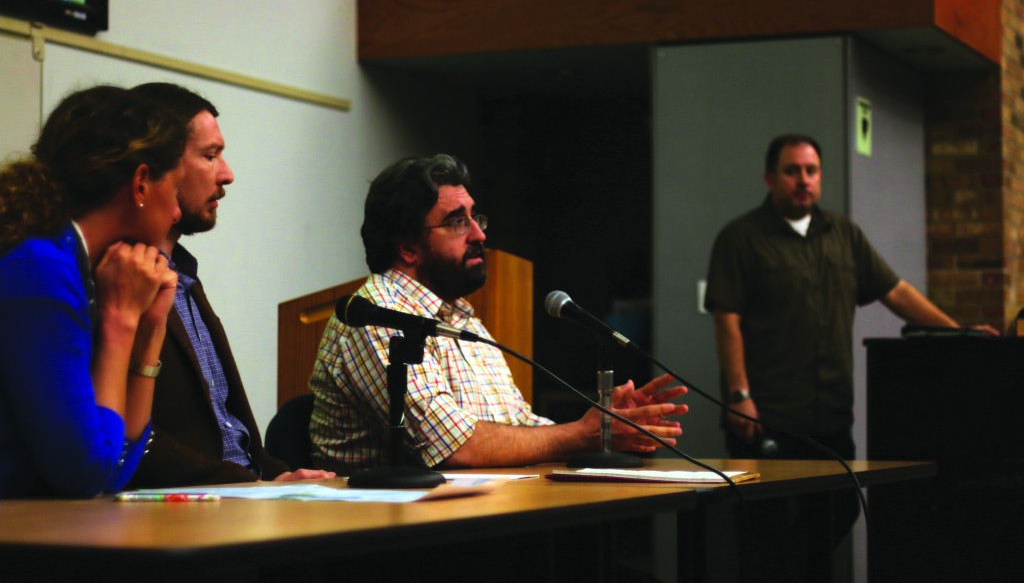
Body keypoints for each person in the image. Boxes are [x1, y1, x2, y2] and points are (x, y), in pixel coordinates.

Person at [309, 153, 686, 475]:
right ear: (408, 247)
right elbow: (454, 447)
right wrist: (582, 434)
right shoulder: (377, 316)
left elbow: (517, 427)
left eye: (476, 218)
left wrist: (608, 432)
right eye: (457, 222)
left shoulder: (459, 314)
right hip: (386, 538)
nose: (479, 234)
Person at [704, 133, 996, 462]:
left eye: (811, 171)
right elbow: (727, 319)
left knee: (839, 511)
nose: (803, 180)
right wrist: (739, 395)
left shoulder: (843, 234)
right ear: (770, 178)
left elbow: (896, 292)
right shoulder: (740, 238)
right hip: (768, 418)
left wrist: (959, 334)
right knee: (769, 513)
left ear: (820, 177)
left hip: (831, 417)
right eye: (792, 171)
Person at [125, 82, 333, 488]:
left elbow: (228, 429)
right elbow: (134, 440)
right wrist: (250, 486)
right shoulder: (121, 280)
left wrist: (280, 475)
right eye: (210, 155)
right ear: (157, 169)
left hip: (241, 497)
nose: (228, 174)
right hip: (185, 513)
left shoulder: (184, 277)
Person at [0, 85, 185, 498]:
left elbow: (113, 469)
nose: (176, 212)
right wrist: (120, 323)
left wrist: (150, 328)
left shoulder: (73, 263)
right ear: (140, 184)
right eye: (174, 190)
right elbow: (84, 475)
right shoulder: (40, 270)